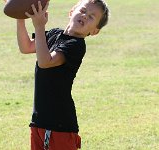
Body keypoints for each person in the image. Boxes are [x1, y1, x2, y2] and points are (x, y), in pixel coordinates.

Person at [16, 0, 109, 149]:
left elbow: (45, 61)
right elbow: (26, 47)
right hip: (39, 120)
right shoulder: (54, 34)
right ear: (72, 11)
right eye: (83, 10)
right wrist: (19, 16)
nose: (85, 16)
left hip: (60, 125)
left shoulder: (76, 45)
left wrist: (39, 26)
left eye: (92, 17)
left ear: (94, 31)